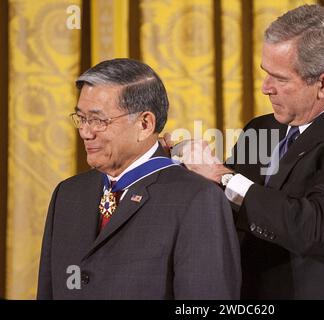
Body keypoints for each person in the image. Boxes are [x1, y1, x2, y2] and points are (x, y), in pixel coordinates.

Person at [170, 5, 324, 299]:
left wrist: (222, 176)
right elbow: (225, 211)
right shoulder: (261, 129)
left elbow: (312, 228)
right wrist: (178, 162)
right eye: (266, 73)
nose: (266, 88)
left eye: (280, 78)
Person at [37, 58, 241, 300]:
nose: (85, 132)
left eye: (98, 120)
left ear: (145, 124)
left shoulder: (196, 199)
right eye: (81, 118)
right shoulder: (68, 194)